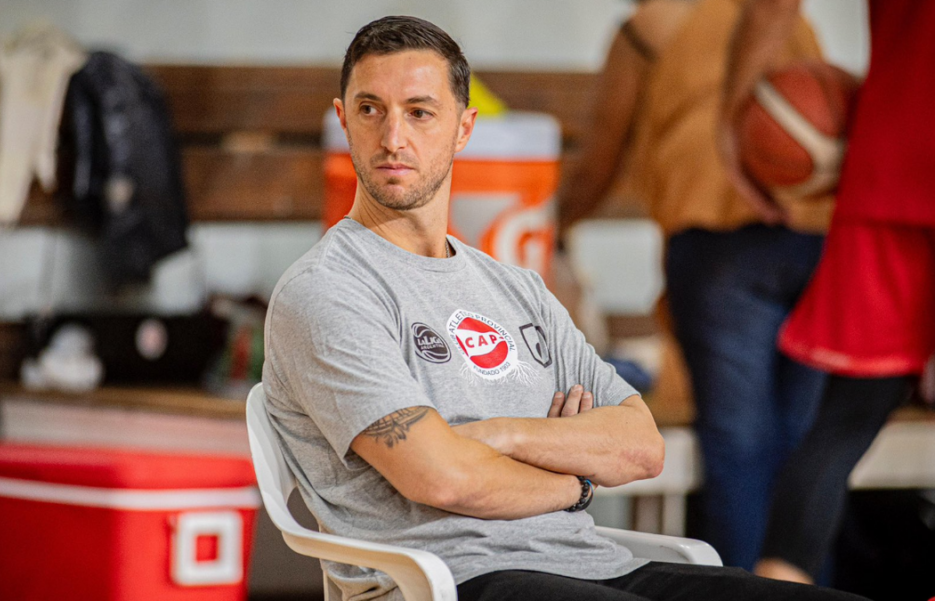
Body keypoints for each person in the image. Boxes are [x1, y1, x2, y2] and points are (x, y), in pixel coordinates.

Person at [264, 15, 865, 601]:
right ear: (344, 120)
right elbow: (440, 476)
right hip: (453, 579)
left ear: (463, 128)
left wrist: (496, 435)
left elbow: (640, 447)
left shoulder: (517, 288)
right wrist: (576, 477)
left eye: (420, 112)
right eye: (371, 110)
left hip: (596, 566)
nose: (393, 138)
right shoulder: (328, 290)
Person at [559, 0, 830, 570]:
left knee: (740, 450)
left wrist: (551, 228)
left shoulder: (648, 26)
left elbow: (599, 163)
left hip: (719, 243)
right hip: (815, 239)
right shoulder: (793, 20)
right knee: (806, 447)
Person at [718, 0, 935, 585]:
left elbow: (773, 8)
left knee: (842, 424)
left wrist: (733, 120)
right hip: (886, 173)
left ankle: (778, 587)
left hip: (890, 169)